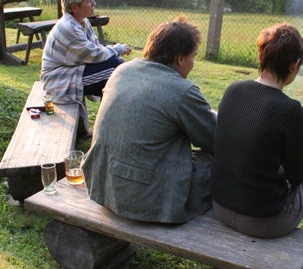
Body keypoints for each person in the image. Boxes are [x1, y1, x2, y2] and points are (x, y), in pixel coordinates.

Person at [211, 23, 303, 269]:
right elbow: (299, 176)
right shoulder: (290, 110)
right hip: (262, 221)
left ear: (260, 56)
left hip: (221, 207)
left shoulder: (233, 90)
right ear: (293, 66)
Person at [82, 15, 217, 223]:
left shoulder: (122, 70)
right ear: (180, 58)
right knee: (217, 160)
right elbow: (214, 138)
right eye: (193, 56)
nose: (193, 63)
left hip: (101, 184)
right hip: (144, 198)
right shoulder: (182, 90)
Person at [41, 0, 131, 136]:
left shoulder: (82, 22)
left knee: (117, 72)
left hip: (70, 72)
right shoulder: (68, 27)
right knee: (117, 74)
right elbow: (94, 55)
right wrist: (118, 49)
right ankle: (107, 131)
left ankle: (108, 129)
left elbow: (97, 50)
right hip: (57, 81)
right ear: (75, 7)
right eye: (89, 1)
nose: (93, 4)